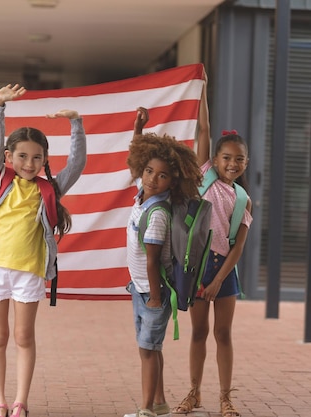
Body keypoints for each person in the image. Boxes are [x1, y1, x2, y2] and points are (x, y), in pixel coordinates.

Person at [0, 84, 87, 417]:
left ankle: (20, 401)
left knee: (23, 336)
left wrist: (76, 123)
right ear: (9, 157)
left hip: (29, 273)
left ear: (45, 160)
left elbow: (77, 165)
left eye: (37, 157)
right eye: (22, 156)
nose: (29, 163)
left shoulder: (49, 189)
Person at [172, 76, 252, 417]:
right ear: (215, 159)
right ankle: (193, 393)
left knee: (223, 333)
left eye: (239, 160)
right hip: (198, 266)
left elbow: (238, 247)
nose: (232, 164)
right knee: (199, 331)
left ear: (245, 163)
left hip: (224, 271)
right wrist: (203, 87)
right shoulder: (203, 175)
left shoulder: (244, 200)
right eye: (227, 158)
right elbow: (203, 129)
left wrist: (220, 280)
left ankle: (225, 398)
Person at [126, 107, 204, 417]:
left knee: (148, 349)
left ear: (173, 182)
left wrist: (156, 299)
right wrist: (138, 129)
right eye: (148, 171)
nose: (152, 179)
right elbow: (137, 153)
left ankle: (146, 409)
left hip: (152, 292)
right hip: (140, 288)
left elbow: (152, 259)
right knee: (150, 348)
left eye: (162, 175)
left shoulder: (157, 213)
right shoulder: (142, 195)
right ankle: (158, 403)